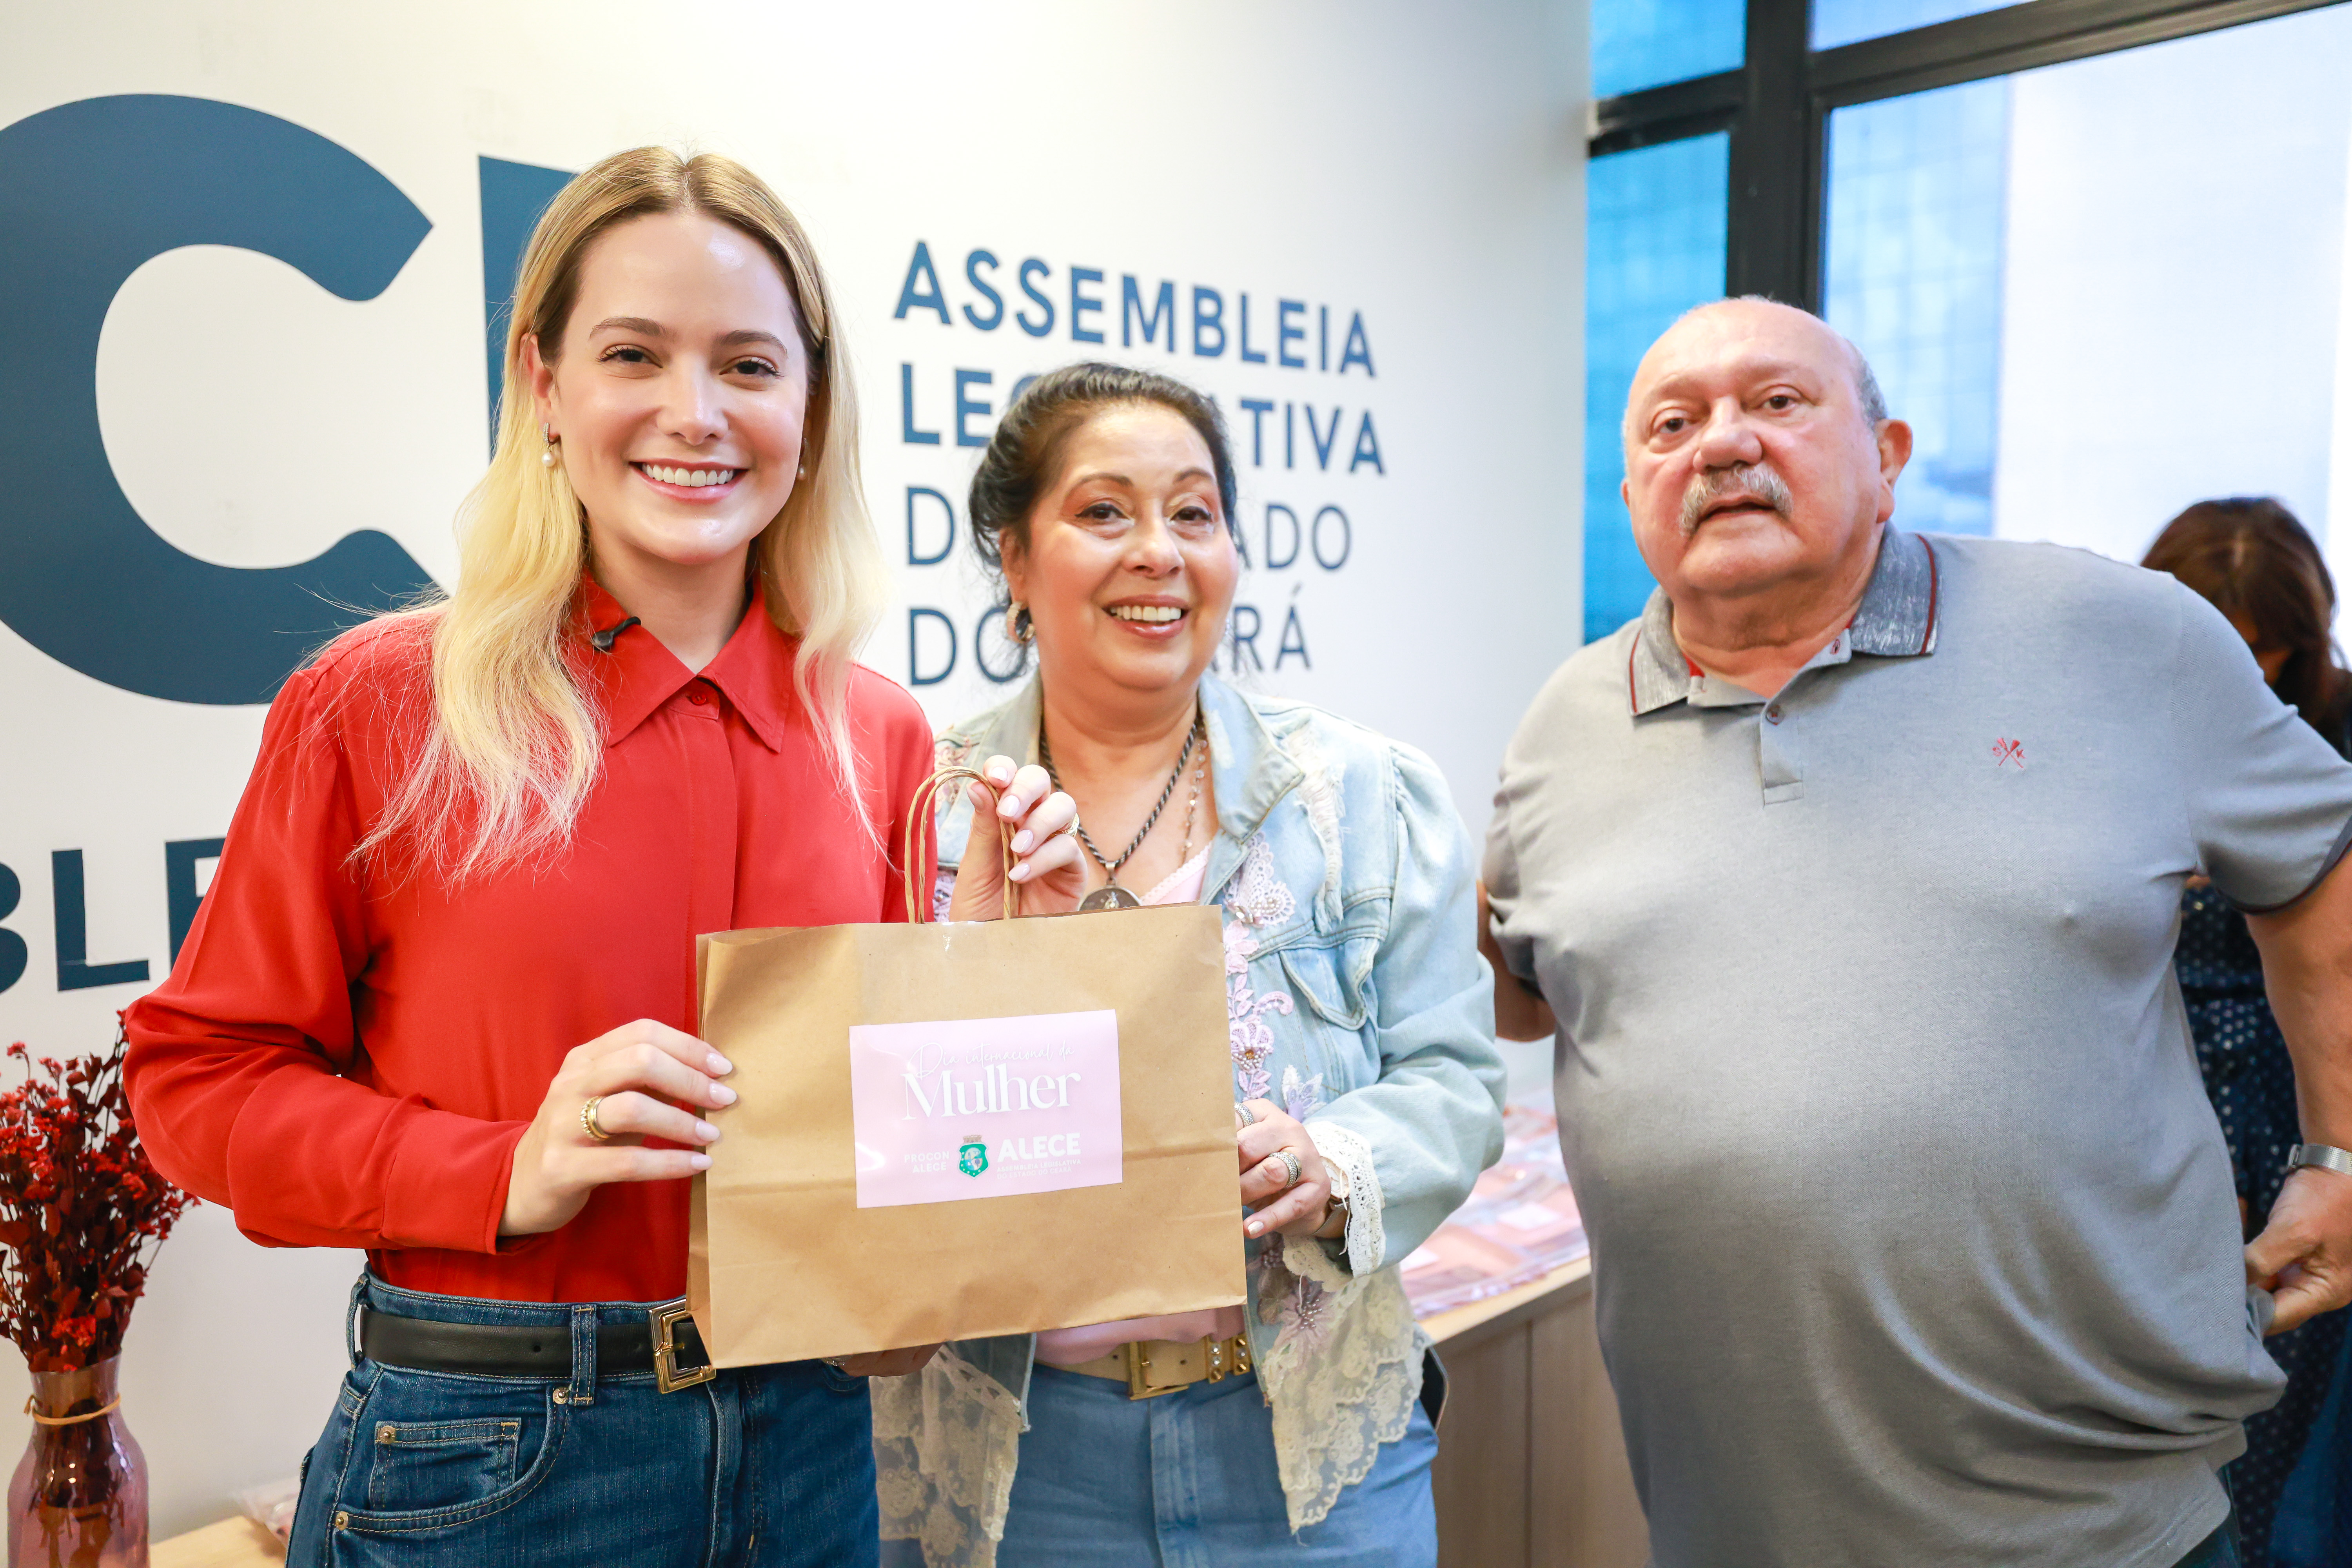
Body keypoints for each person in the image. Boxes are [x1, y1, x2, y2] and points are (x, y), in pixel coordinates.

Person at [122, 148, 1076, 1568]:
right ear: (545, 385)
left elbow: (900, 1164)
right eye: (635, 354)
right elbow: (197, 1083)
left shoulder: (878, 734)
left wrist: (1009, 969)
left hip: (814, 1445)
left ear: (810, 410)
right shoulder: (381, 704)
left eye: (749, 366)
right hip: (493, 1453)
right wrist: (499, 1167)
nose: (697, 413)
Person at [1480, 297, 2352, 1568]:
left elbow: (2322, 865)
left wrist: (2339, 1150)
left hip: (2105, 1520)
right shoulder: (1563, 725)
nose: (1722, 443)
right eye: (1674, 423)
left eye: (1778, 402)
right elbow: (1524, 996)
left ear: (1887, 457)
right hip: (1731, 1519)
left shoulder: (2116, 633)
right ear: (1633, 499)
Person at [871, 363, 1506, 1568]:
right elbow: (859, 1134)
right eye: (1105, 511)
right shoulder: (917, 812)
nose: (1158, 552)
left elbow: (1456, 1080)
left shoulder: (1361, 797)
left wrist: (1335, 1165)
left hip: (1308, 1449)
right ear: (1015, 560)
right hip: (1020, 1461)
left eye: (1194, 513)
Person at [2145, 499, 2352, 1567]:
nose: (2249, 677)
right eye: (2222, 651)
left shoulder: (2336, 736)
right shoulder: (2103, 737)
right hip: (2157, 1087)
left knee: (2296, 1397)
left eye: (2267, 652)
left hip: (2300, 1092)